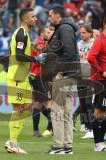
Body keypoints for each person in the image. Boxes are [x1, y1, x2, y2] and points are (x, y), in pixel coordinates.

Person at [4, 8, 41, 154]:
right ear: (25, 19)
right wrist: (35, 59)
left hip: (23, 76)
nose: (36, 19)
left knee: (27, 108)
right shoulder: (21, 33)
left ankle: (12, 140)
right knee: (18, 108)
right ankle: (13, 142)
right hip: (17, 76)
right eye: (33, 16)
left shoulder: (25, 34)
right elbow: (19, 55)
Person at [44, 6, 80, 155]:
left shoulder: (64, 29)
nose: (49, 18)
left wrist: (57, 69)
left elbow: (69, 53)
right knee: (66, 112)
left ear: (57, 15)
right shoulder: (66, 27)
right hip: (70, 74)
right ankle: (67, 146)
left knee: (57, 111)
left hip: (64, 74)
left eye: (50, 15)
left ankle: (58, 145)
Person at [87, 15, 106, 152]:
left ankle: (101, 142)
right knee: (99, 112)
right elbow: (90, 57)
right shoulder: (100, 41)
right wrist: (101, 71)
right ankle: (98, 144)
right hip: (101, 82)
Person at [30, 26, 54, 138]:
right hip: (39, 75)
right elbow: (42, 56)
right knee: (47, 102)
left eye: (52, 32)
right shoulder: (40, 42)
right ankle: (51, 127)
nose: (50, 34)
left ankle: (37, 130)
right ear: (42, 32)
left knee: (39, 103)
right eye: (48, 32)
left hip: (36, 75)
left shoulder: (41, 42)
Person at [75, 24, 94, 139]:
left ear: (90, 33)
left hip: (91, 78)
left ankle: (92, 128)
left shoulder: (94, 44)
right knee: (82, 104)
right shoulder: (78, 45)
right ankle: (88, 128)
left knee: (88, 103)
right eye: (81, 33)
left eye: (84, 33)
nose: (82, 35)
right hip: (80, 78)